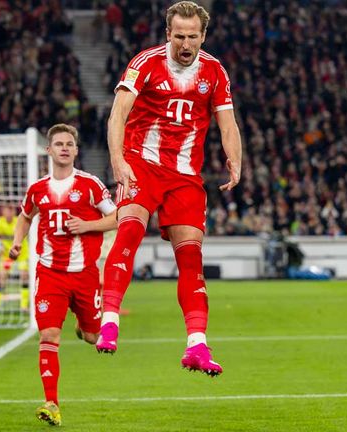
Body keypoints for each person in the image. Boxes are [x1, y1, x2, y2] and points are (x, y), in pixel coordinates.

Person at [96, 0, 242, 377]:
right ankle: (108, 319)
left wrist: (234, 158)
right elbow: (118, 114)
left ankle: (196, 346)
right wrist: (118, 160)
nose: (186, 43)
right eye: (179, 36)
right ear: (168, 34)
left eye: (193, 36)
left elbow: (227, 124)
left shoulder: (214, 71)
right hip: (141, 164)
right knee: (128, 231)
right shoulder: (145, 62)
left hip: (185, 176)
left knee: (191, 258)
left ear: (203, 35)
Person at [9, 123, 117, 426]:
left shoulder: (91, 184)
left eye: (70, 144)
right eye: (59, 144)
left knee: (93, 336)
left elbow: (118, 216)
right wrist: (17, 243)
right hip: (50, 273)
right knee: (48, 335)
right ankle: (52, 403)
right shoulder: (37, 189)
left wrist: (88, 226)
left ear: (76, 151)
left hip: (84, 274)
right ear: (49, 150)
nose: (65, 148)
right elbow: (25, 216)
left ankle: (82, 328)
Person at [0, 205, 29, 312]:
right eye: (7, 210)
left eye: (11, 210)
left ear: (14, 211)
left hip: (21, 254)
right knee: (1, 277)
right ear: (3, 211)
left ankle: (24, 306)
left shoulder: (18, 222)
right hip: (7, 256)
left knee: (24, 276)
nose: (9, 213)